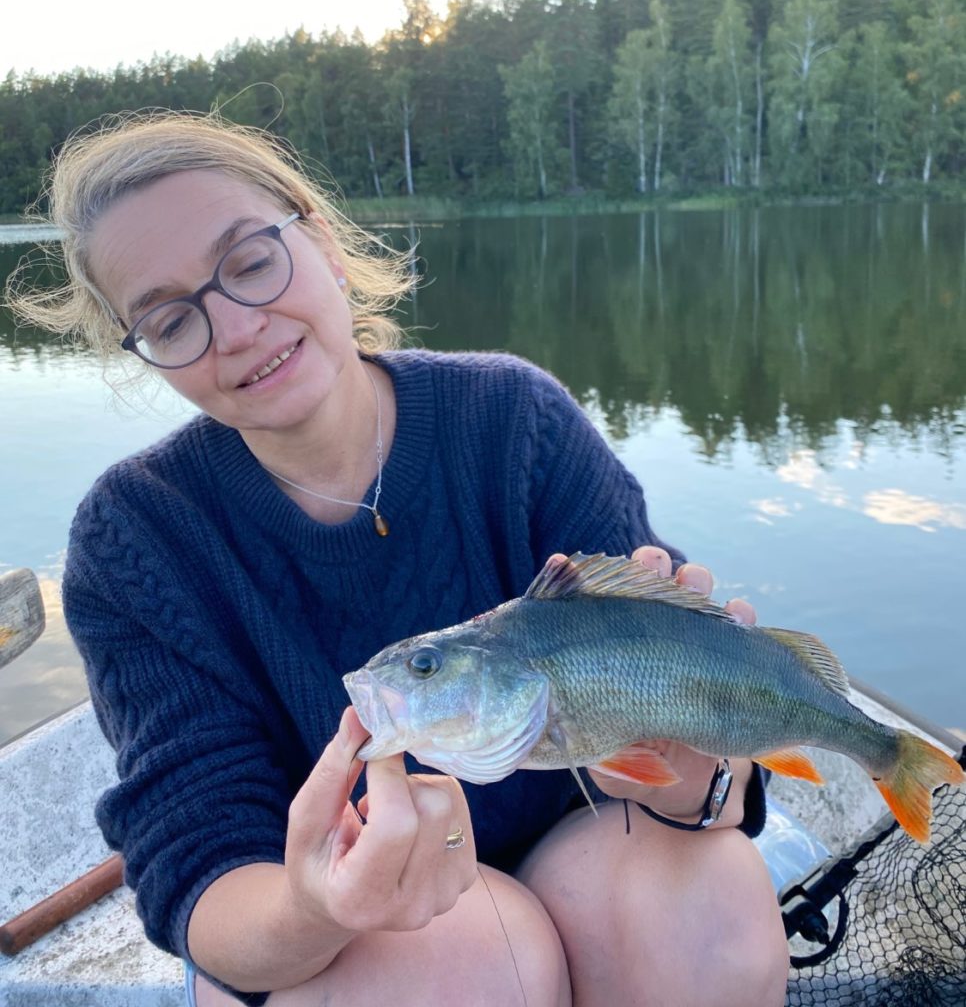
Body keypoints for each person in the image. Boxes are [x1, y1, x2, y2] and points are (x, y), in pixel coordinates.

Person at [8, 111, 789, 1007]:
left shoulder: (513, 423)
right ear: (145, 354)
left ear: (323, 239)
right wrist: (315, 905)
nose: (235, 328)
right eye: (170, 318)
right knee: (470, 965)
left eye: (251, 262)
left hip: (586, 857)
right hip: (337, 946)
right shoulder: (135, 538)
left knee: (706, 915)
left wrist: (700, 774)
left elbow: (721, 800)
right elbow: (200, 873)